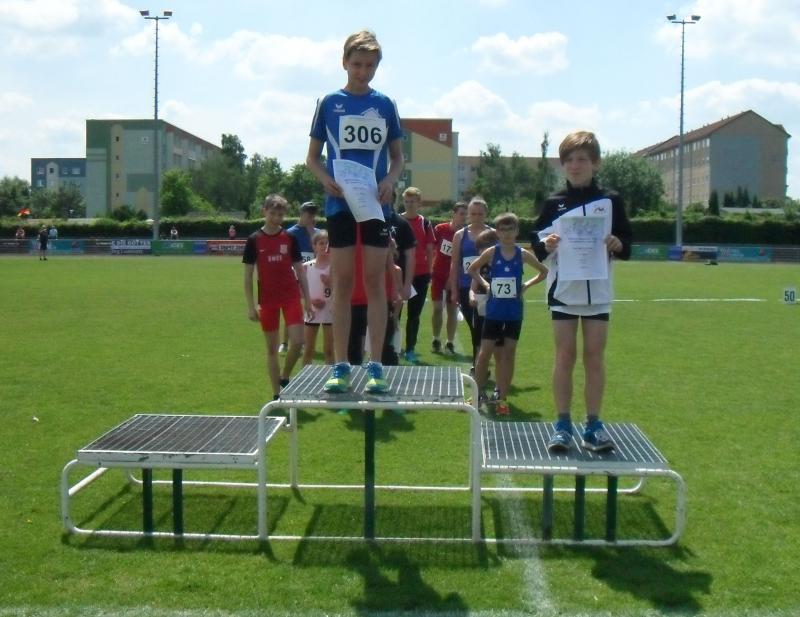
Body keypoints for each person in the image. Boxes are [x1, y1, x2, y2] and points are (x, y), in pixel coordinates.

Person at [306, 30, 404, 393]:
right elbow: (312, 158)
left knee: (376, 282)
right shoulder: (329, 103)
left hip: (376, 203)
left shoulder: (386, 105)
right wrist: (325, 180)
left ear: (377, 67)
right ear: (344, 62)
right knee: (343, 283)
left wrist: (390, 180)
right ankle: (342, 365)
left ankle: (376, 364)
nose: (363, 72)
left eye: (370, 66)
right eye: (357, 64)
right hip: (340, 203)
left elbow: (397, 158)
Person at [531, 130, 632, 452]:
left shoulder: (611, 201)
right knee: (564, 356)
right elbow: (536, 246)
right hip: (563, 291)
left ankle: (593, 426)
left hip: (598, 292)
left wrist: (617, 243)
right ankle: (562, 425)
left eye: (582, 159)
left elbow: (627, 245)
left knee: (594, 357)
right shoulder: (554, 203)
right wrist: (545, 244)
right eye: (570, 160)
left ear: (595, 163)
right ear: (563, 164)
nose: (575, 165)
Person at [469, 213, 548, 415]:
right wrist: (486, 284)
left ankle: (502, 398)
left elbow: (544, 271)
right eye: (502, 230)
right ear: (497, 232)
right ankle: (477, 395)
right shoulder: (491, 252)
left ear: (517, 231)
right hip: (494, 311)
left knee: (509, 354)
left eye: (510, 229)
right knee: (484, 353)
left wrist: (526, 285)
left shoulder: (522, 254)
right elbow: (472, 269)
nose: (506, 234)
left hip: (514, 312)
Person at [243, 194, 312, 401]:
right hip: (268, 301)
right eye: (272, 213)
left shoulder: (289, 238)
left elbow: (300, 271)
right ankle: (276, 394)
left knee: (298, 342)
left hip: (291, 296)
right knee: (272, 350)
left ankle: (285, 375)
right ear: (264, 211)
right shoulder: (254, 240)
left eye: (280, 215)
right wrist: (250, 306)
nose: (276, 218)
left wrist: (307, 299)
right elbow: (248, 276)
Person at [448, 196, 492, 371]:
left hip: (487, 286)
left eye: (480, 214)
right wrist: (454, 289)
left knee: (483, 326)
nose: (476, 217)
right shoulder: (460, 235)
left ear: (485, 214)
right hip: (466, 287)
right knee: (475, 326)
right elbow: (454, 264)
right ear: (468, 214)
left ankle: (479, 365)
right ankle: (480, 363)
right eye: (473, 213)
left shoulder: (493, 234)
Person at [398, 186, 436, 364]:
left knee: (414, 315)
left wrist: (429, 271)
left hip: (420, 275)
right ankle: (393, 347)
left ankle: (410, 349)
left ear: (419, 203)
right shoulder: (397, 221)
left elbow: (430, 249)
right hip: (399, 274)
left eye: (413, 201)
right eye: (406, 201)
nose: (409, 204)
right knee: (394, 313)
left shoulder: (425, 223)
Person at [282, 201, 321, 353]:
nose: (311, 218)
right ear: (301, 213)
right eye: (308, 214)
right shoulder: (290, 233)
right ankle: (285, 342)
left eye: (313, 215)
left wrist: (313, 235)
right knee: (292, 308)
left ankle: (304, 342)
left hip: (312, 275)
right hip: (293, 275)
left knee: (309, 308)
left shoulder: (317, 233)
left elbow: (322, 254)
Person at [431, 201, 467, 355]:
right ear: (454, 213)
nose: (464, 217)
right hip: (438, 275)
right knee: (438, 308)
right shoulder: (441, 229)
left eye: (466, 215)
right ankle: (436, 338)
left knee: (452, 310)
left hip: (455, 278)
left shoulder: (466, 234)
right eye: (461, 214)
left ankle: (450, 342)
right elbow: (431, 249)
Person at [302, 230, 334, 365]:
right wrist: (310, 301)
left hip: (330, 311)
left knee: (329, 350)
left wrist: (331, 283)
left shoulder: (334, 267)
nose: (324, 246)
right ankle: (305, 375)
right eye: (321, 243)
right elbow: (300, 290)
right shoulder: (306, 267)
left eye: (327, 243)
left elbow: (343, 289)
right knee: (308, 349)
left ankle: (332, 375)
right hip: (312, 311)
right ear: (314, 246)